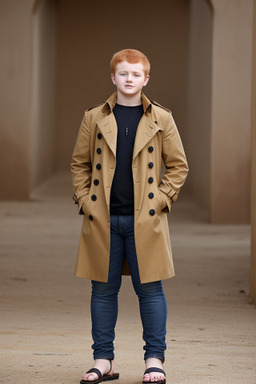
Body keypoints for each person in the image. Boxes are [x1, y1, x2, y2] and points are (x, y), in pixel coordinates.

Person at [71, 48, 188, 384]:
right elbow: (79, 164)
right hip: (103, 220)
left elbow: (178, 166)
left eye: (136, 74)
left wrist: (161, 201)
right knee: (102, 291)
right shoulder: (94, 117)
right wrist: (85, 200)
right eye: (123, 74)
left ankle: (154, 360)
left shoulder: (161, 118)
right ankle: (102, 360)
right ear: (113, 77)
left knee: (150, 291)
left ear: (146, 79)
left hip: (145, 221)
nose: (129, 79)